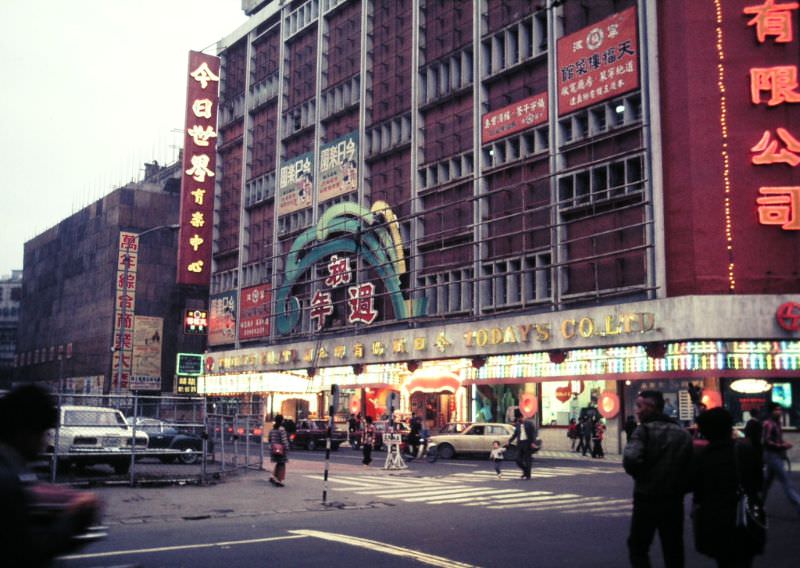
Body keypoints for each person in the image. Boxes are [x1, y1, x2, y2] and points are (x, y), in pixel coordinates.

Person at [0, 384, 101, 567]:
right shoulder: (8, 483)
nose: (45, 442)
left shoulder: (12, 468)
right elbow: (29, 551)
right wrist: (74, 516)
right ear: (26, 433)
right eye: (44, 434)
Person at [623, 390, 693, 568]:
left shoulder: (643, 431)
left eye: (640, 406)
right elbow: (691, 468)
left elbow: (630, 459)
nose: (637, 411)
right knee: (673, 547)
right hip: (673, 500)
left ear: (651, 407)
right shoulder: (682, 433)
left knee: (638, 546)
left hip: (646, 498)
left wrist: (643, 476)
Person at [691, 407, 763, 567]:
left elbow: (695, 489)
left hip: (716, 521)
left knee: (724, 561)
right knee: (744, 560)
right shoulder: (745, 449)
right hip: (745, 518)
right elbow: (758, 482)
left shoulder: (702, 456)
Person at [762, 402, 800, 515]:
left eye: (779, 409)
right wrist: (783, 446)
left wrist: (784, 443)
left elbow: (776, 439)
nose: (779, 411)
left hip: (775, 456)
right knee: (786, 482)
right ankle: (798, 504)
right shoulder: (768, 424)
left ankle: (758, 503)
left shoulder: (776, 423)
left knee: (767, 483)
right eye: (776, 410)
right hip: (772, 456)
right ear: (771, 411)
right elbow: (766, 441)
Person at [507, 409, 535, 479]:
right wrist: (510, 441)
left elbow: (533, 434)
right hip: (520, 443)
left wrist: (533, 442)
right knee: (517, 459)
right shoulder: (518, 424)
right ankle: (526, 471)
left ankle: (528, 475)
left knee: (527, 460)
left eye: (520, 418)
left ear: (523, 417)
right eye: (518, 418)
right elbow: (515, 434)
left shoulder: (529, 424)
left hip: (527, 443)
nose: (519, 419)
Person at [268, 415, 290, 487]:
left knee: (278, 463)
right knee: (282, 464)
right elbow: (284, 441)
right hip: (281, 450)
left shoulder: (272, 429)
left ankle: (274, 477)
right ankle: (279, 480)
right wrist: (287, 447)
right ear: (282, 421)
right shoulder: (282, 429)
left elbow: (269, 439)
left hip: (274, 449)